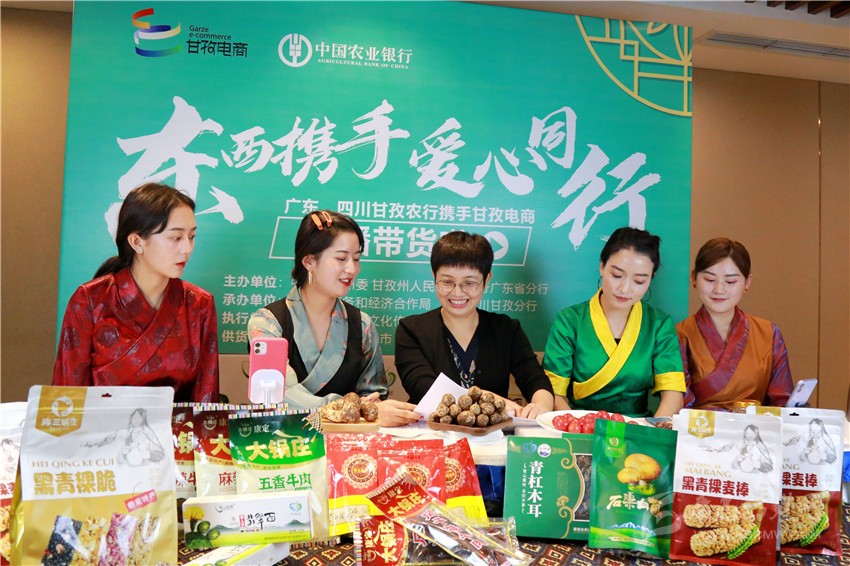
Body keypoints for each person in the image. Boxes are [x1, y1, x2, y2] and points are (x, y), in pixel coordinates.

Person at [248, 210, 419, 427]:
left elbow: (374, 397)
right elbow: (279, 395)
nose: (352, 269)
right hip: (286, 440)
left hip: (350, 442)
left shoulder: (362, 324)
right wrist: (360, 411)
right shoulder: (267, 323)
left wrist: (372, 409)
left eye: (356, 259)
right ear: (309, 261)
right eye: (341, 258)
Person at [53, 183, 219, 403]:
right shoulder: (90, 300)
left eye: (192, 236)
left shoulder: (200, 304)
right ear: (137, 242)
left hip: (176, 426)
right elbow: (68, 394)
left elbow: (205, 399)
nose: (187, 248)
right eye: (176, 238)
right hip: (102, 425)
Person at [395, 231, 555, 418]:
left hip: (494, 433)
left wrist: (541, 406)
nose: (457, 292)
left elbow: (535, 379)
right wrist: (492, 401)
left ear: (486, 280)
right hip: (430, 431)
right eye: (447, 282)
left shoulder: (506, 329)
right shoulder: (411, 329)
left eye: (469, 283)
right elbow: (426, 391)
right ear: (434, 276)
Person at [543, 227, 685, 418]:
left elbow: (673, 395)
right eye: (617, 275)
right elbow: (553, 393)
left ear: (651, 278)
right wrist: (576, 426)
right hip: (580, 426)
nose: (625, 288)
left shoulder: (658, 324)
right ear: (602, 266)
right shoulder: (569, 321)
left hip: (636, 427)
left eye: (639, 281)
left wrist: (655, 429)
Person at [676, 238, 793, 411]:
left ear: (747, 282)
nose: (719, 290)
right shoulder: (679, 335)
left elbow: (782, 401)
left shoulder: (768, 333)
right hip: (701, 426)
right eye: (709, 279)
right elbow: (680, 404)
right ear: (694, 278)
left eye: (730, 282)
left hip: (756, 426)